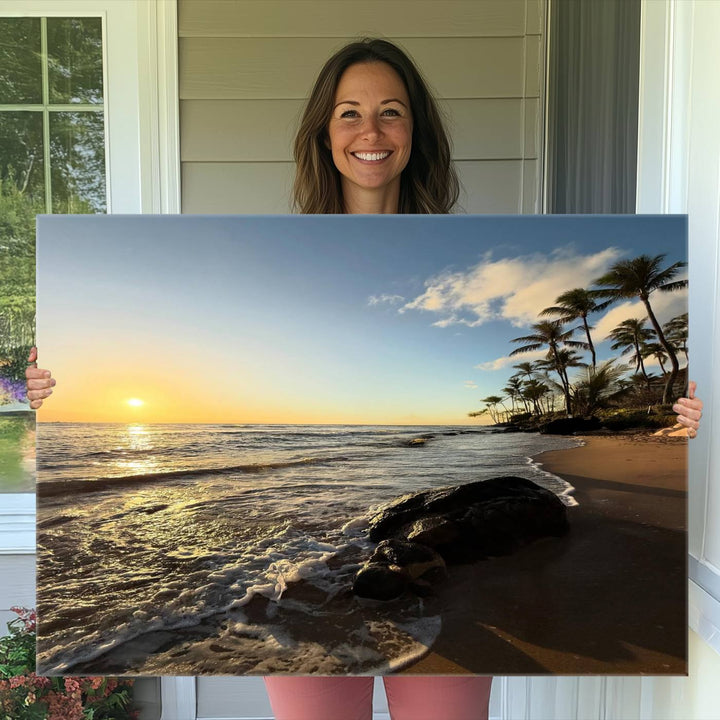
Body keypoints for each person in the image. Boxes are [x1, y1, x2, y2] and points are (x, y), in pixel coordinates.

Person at [25, 37, 703, 720]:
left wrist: (681, 419)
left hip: (426, 559)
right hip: (331, 571)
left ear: (418, 132)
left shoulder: (465, 244)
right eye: (349, 113)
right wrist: (43, 392)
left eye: (392, 112)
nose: (370, 132)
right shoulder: (281, 254)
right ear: (323, 132)